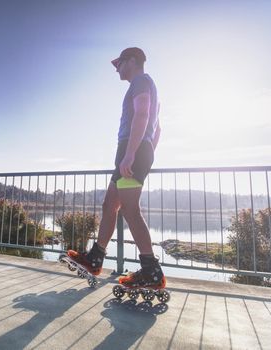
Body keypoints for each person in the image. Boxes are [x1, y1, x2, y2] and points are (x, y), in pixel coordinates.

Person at [67, 47, 164, 288]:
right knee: (110, 204)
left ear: (131, 61)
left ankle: (151, 270)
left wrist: (133, 154)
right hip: (135, 149)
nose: (116, 68)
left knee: (130, 210)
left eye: (118, 63)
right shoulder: (146, 85)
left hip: (133, 149)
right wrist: (145, 151)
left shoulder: (141, 81)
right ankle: (95, 258)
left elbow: (142, 115)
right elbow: (158, 128)